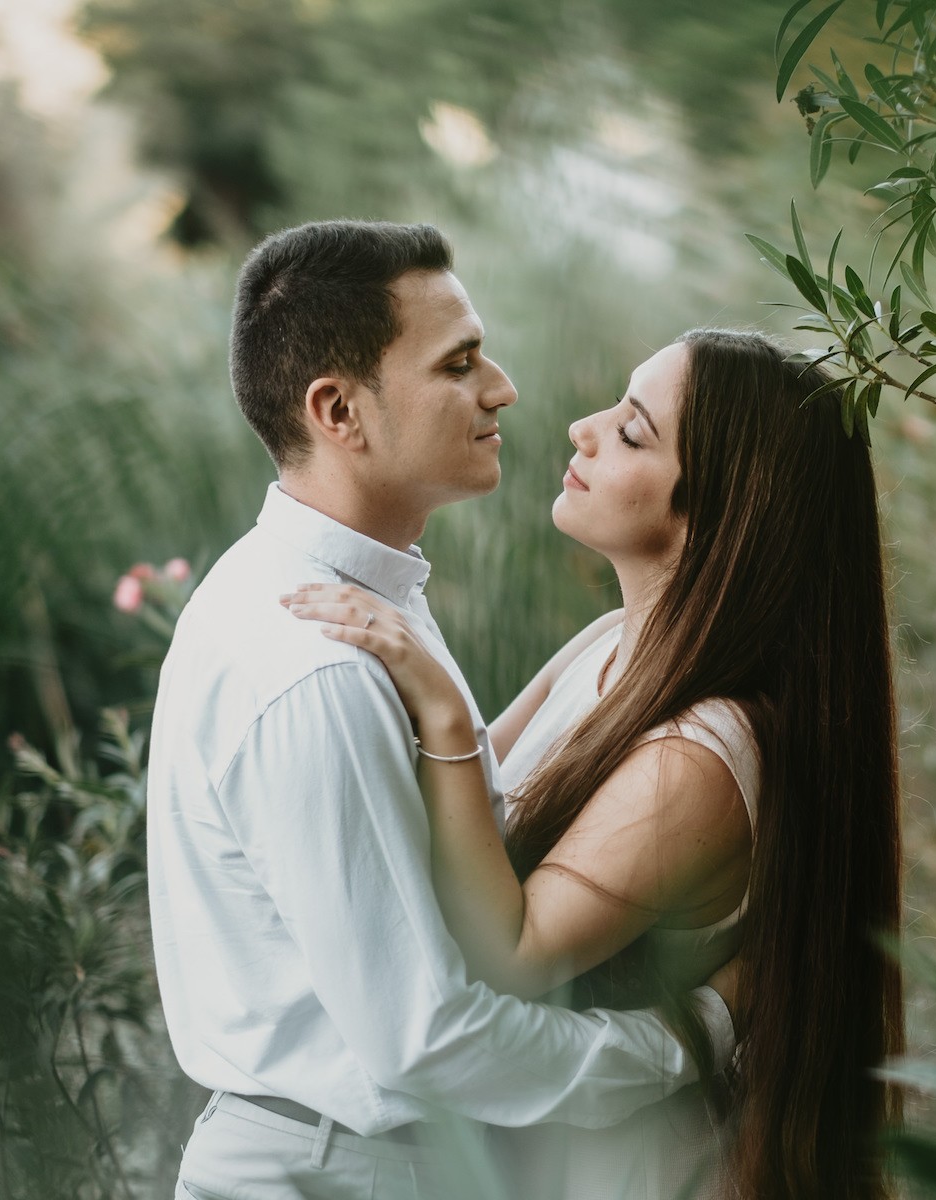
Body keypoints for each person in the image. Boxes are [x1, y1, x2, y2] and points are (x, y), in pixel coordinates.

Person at [147, 220, 738, 1200]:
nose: (502, 389)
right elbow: (428, 1042)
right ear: (339, 411)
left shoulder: (355, 604)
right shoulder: (322, 666)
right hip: (336, 1174)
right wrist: (697, 1036)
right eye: (458, 365)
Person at [286, 328, 903, 1199]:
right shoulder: (609, 646)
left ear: (721, 514)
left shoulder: (699, 754)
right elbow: (454, 818)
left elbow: (511, 950)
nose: (584, 428)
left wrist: (443, 709)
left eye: (632, 433)